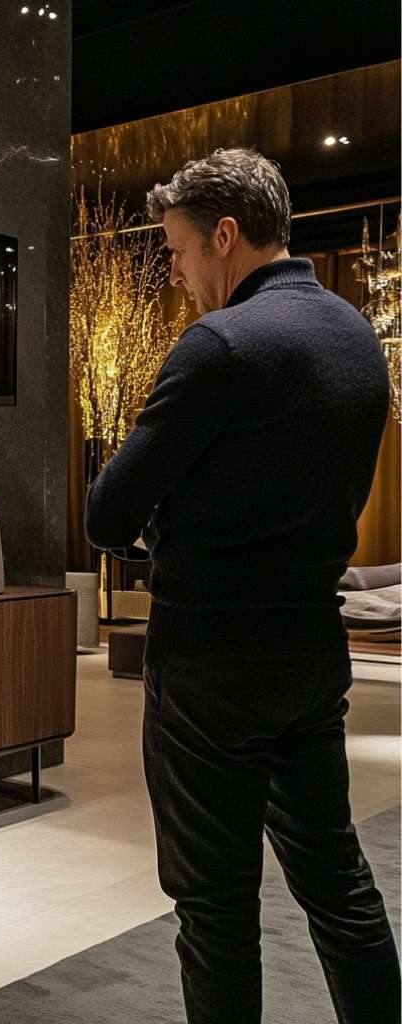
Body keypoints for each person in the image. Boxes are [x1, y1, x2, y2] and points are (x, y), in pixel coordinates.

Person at [84, 148, 400, 1024]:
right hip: (310, 653)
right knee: (338, 884)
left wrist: (164, 516)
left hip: (210, 669)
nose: (178, 273)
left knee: (217, 910)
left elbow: (109, 512)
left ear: (226, 236)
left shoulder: (220, 344)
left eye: (180, 251)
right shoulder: (354, 338)